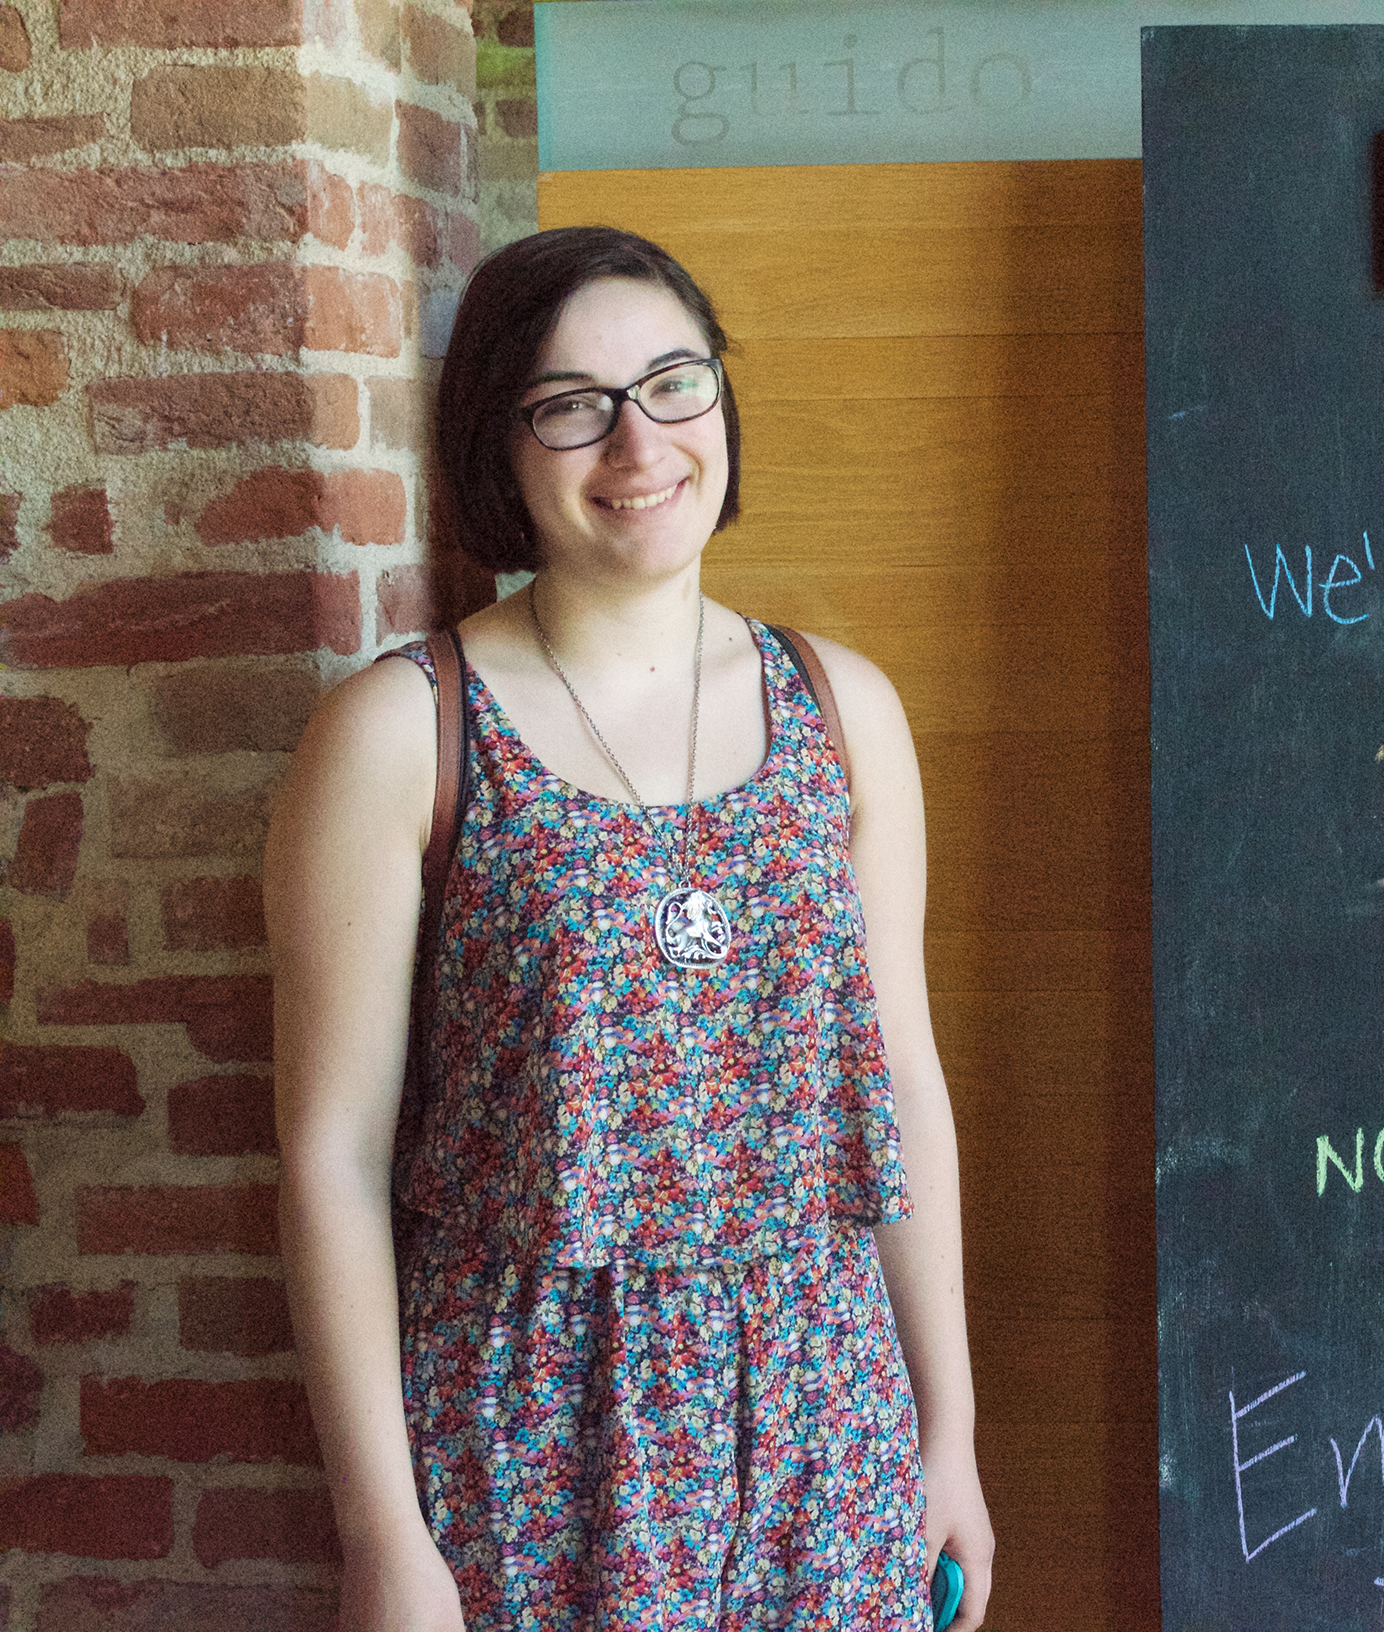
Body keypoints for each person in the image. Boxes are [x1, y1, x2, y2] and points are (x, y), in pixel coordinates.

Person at [271, 226, 993, 1631]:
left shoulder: (843, 712)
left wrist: (947, 1435)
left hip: (826, 1405)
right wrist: (384, 1535)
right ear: (498, 443)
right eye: (571, 405)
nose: (638, 440)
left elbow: (900, 1089)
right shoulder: (403, 732)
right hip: (534, 1425)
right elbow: (333, 1158)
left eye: (674, 382)